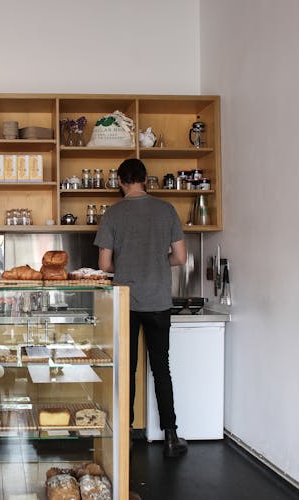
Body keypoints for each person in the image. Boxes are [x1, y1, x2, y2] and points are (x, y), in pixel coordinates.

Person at [94, 158, 189, 458]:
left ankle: (126, 434)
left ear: (120, 181)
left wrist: (128, 264)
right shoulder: (167, 210)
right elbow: (181, 257)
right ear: (145, 179)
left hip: (127, 301)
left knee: (127, 368)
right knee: (161, 368)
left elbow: (104, 265)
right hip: (160, 300)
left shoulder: (113, 214)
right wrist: (160, 263)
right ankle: (171, 436)